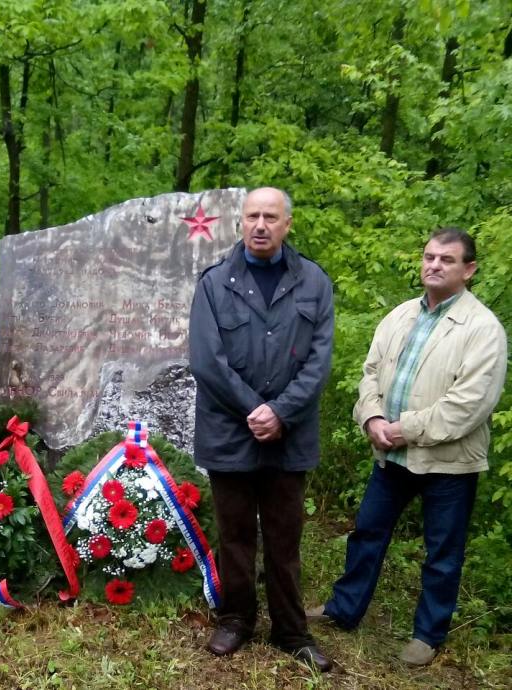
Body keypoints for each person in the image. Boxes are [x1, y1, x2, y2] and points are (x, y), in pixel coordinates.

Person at [307, 228, 507, 666]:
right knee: (367, 533)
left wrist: (400, 428)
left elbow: (467, 406)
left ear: (469, 270)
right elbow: (370, 373)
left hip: (448, 464)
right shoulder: (400, 315)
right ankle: (344, 609)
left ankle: (427, 635)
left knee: (442, 553)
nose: (434, 265)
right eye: (429, 256)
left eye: (446, 260)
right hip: (391, 455)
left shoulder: (482, 329)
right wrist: (372, 418)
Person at [189, 187, 334, 672]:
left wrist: (281, 412)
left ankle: (291, 631)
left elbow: (317, 363)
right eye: (252, 216)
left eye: (271, 217)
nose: (260, 225)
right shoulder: (214, 283)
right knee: (233, 535)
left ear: (287, 224)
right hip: (229, 431)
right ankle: (235, 620)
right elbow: (207, 361)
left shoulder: (314, 282)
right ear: (239, 223)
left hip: (289, 436)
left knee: (284, 537)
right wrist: (256, 409)